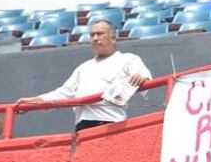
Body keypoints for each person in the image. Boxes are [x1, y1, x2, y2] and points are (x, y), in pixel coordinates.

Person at [16, 21, 151, 132]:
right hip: (83, 127)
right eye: (92, 35)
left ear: (113, 38)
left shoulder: (128, 59)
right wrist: (36, 100)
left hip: (112, 124)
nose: (95, 38)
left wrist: (141, 78)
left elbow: (143, 77)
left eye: (100, 34)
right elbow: (64, 93)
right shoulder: (83, 68)